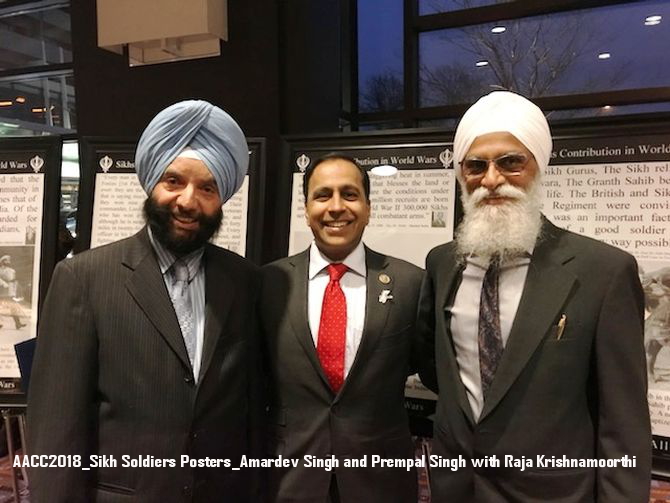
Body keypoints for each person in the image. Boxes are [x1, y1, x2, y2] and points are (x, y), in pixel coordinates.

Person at [418, 91, 651, 502]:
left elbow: (623, 423)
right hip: (456, 489)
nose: (491, 179)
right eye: (475, 166)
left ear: (538, 167)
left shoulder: (603, 271)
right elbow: (441, 375)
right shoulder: (442, 264)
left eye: (510, 162)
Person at [28, 100, 263, 502]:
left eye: (207, 187)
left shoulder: (245, 281)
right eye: (174, 181)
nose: (188, 202)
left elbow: (251, 412)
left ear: (222, 196)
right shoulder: (83, 279)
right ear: (151, 183)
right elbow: (56, 426)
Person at [260, 154, 423, 503]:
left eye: (349, 195)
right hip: (289, 480)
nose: (336, 207)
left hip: (381, 483)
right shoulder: (268, 284)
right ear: (306, 209)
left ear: (367, 207)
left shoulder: (411, 283)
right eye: (323, 195)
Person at [0, 255, 26, 330]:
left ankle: (18, 324)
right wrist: (3, 283)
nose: (7, 262)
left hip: (8, 292)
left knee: (13, 307)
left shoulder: (12, 271)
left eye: (8, 261)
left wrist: (14, 293)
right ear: (2, 262)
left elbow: (14, 282)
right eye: (5, 261)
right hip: (1, 290)